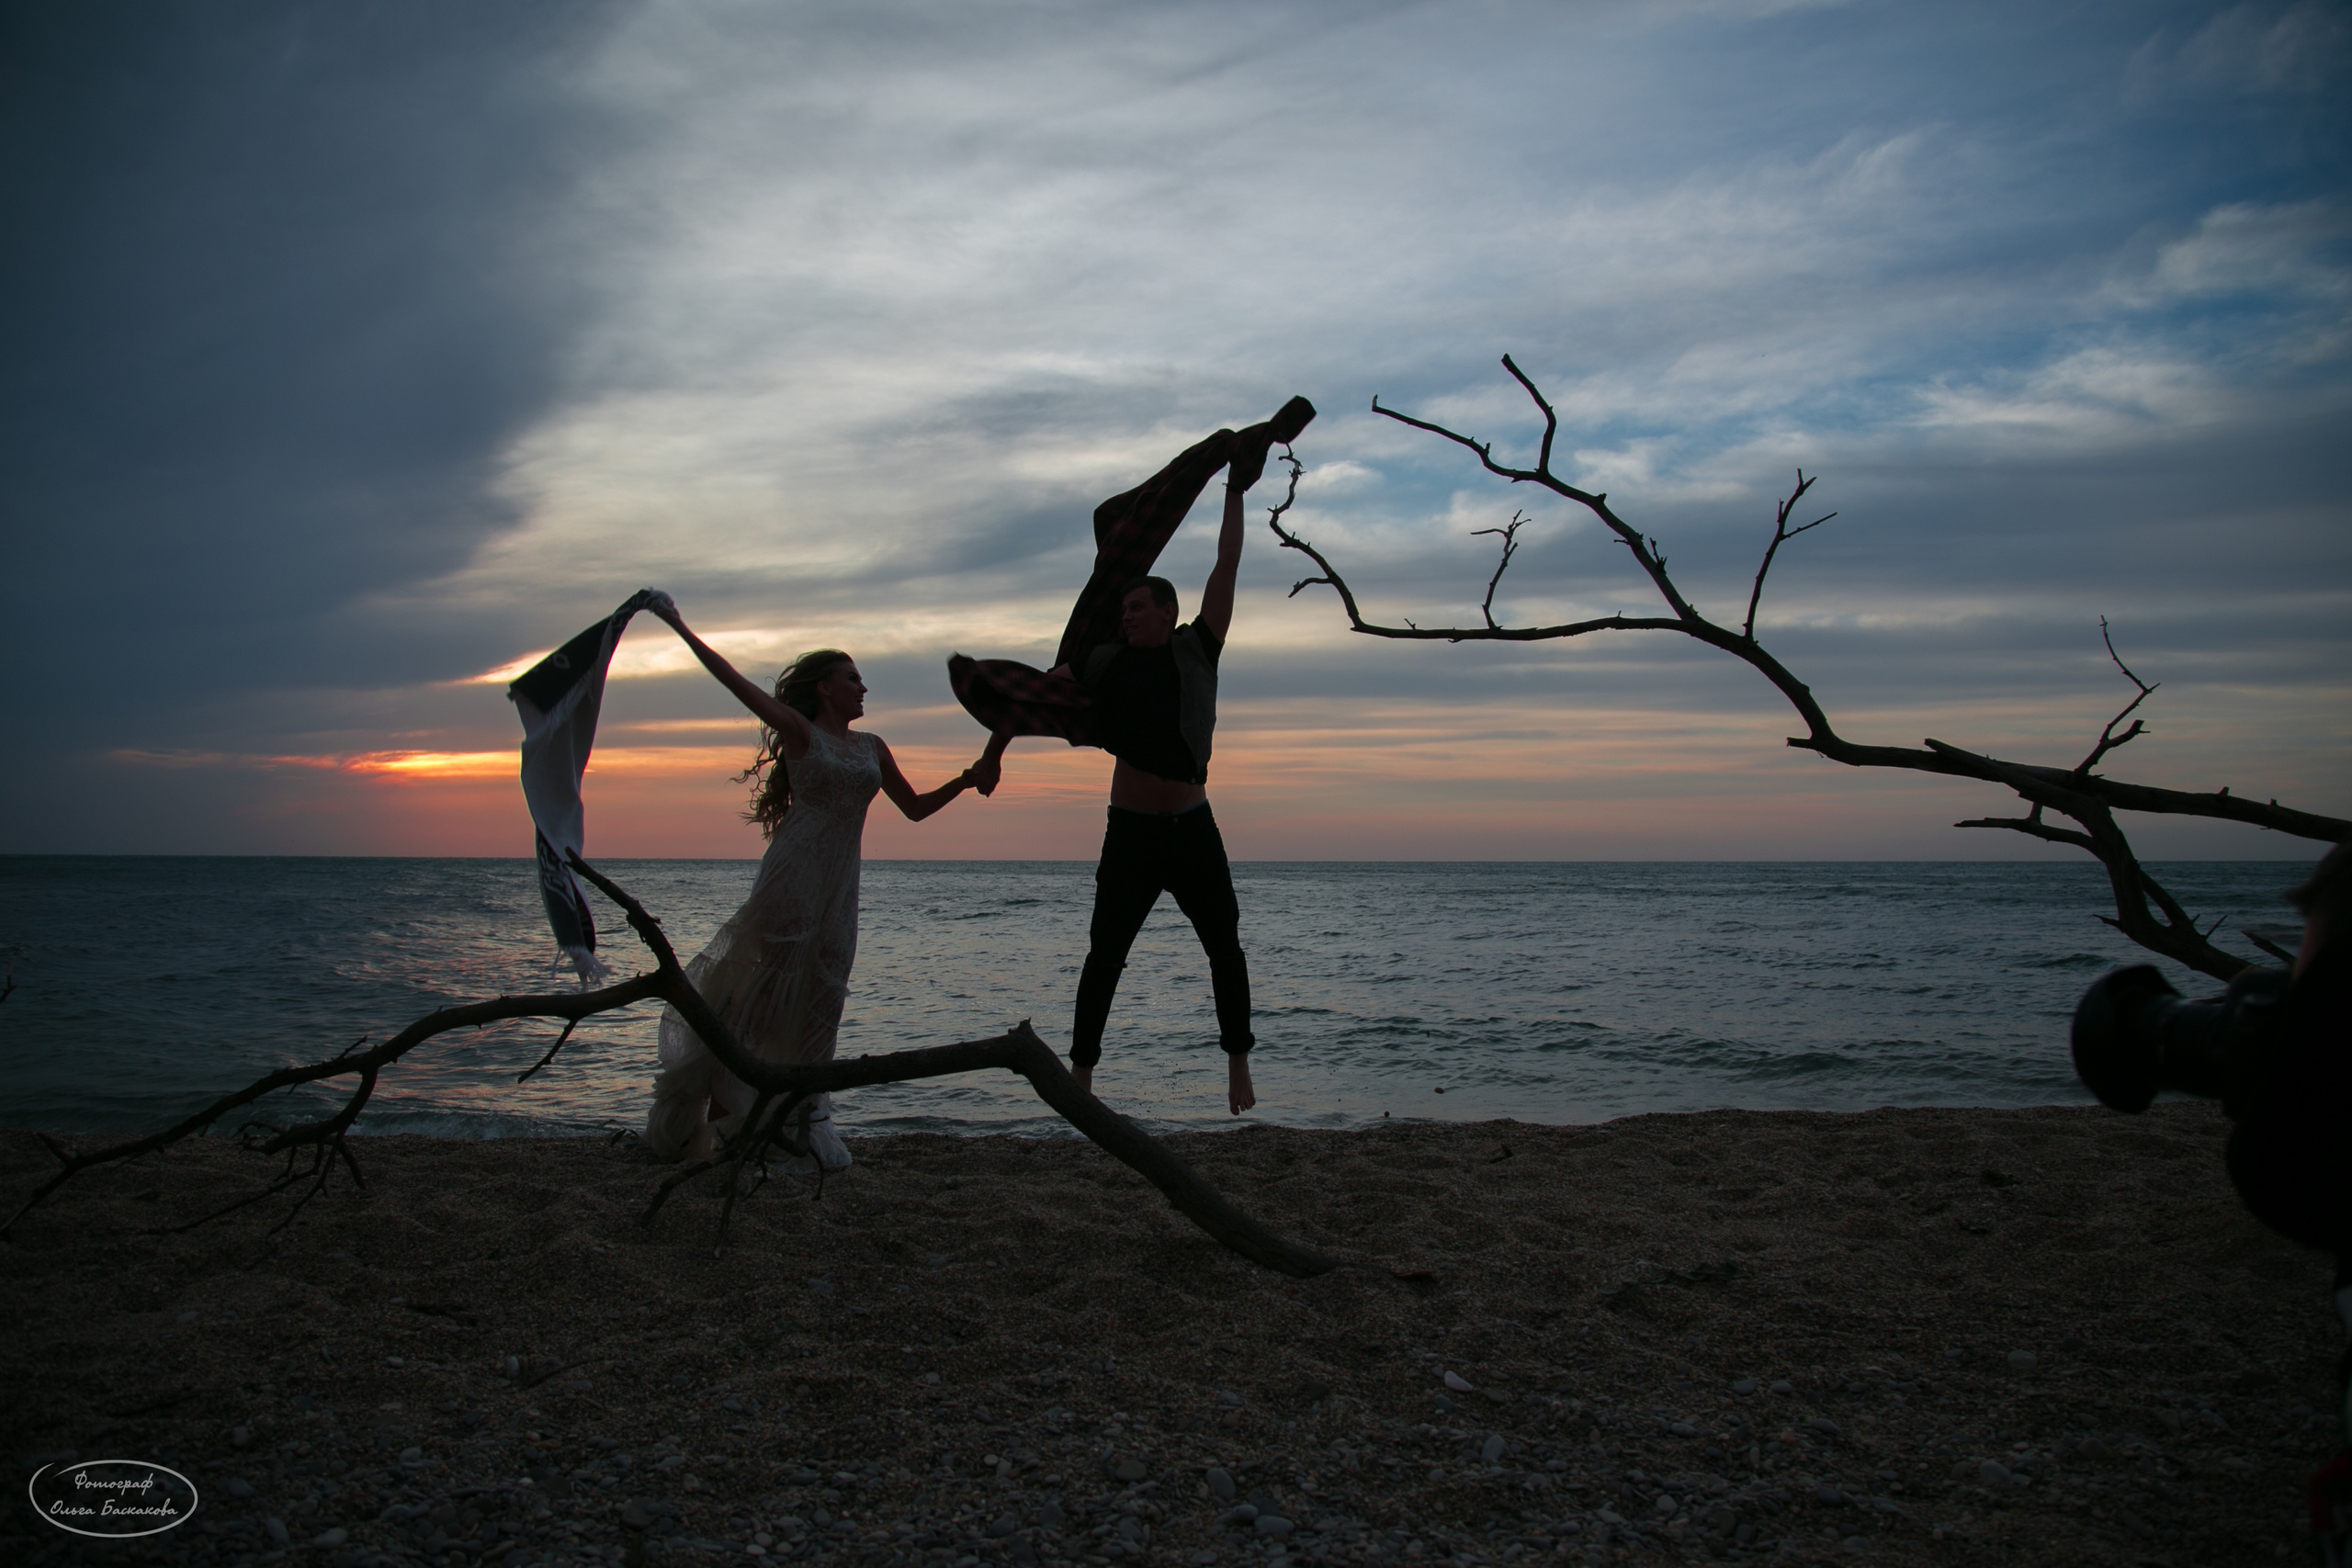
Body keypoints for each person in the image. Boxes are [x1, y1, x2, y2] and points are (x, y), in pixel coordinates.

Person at [949, 397, 1316, 1114]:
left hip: (1193, 828)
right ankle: (1083, 1075)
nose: (1125, 616)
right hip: (1132, 833)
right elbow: (1034, 696)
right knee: (1106, 954)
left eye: (1137, 608)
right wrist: (994, 753)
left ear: (1167, 611)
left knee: (1225, 946)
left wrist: (1235, 489)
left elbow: (1227, 563)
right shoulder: (1104, 661)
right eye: (1122, 611)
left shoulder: (1198, 646)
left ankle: (1238, 1065)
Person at [639, 592, 986, 1170]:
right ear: (825, 688)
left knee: (826, 993)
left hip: (840, 888)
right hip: (791, 878)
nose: (863, 688)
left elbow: (915, 809)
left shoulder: (873, 747)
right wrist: (679, 626)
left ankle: (806, 1116)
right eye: (853, 679)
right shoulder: (801, 732)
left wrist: (966, 779)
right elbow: (737, 685)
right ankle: (729, 1116)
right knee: (762, 1001)